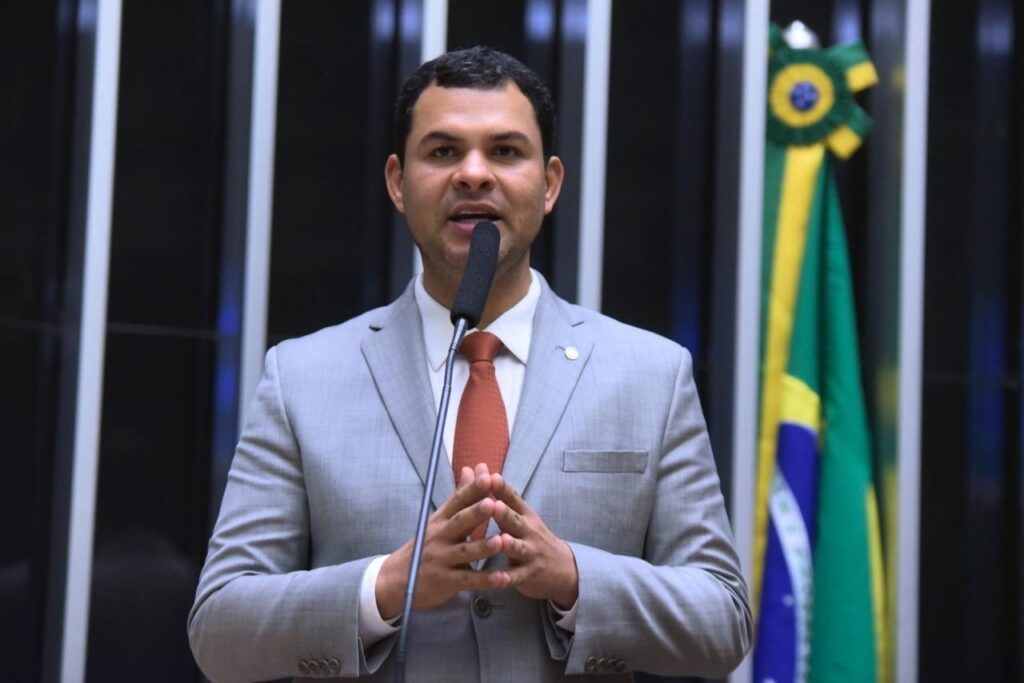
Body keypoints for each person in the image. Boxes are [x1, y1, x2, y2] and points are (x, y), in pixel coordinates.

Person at [188, 46, 751, 682]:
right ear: (398, 182)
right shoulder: (302, 377)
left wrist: (572, 576)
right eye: (443, 151)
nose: (474, 174)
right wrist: (386, 586)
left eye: (505, 151)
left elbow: (723, 621)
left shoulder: (651, 374)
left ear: (550, 184)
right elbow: (220, 630)